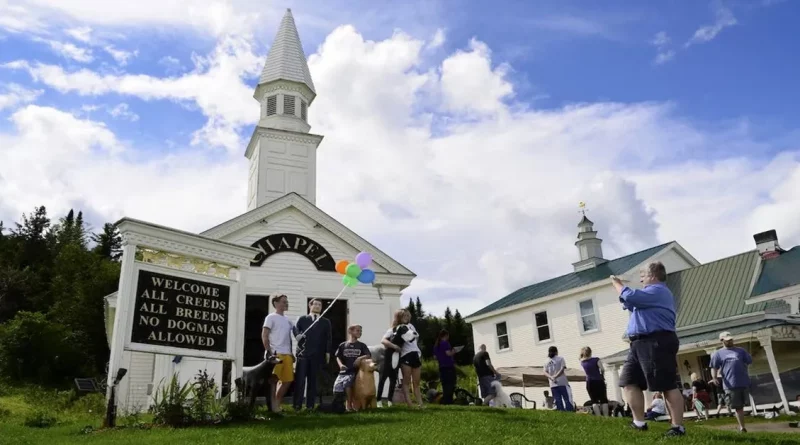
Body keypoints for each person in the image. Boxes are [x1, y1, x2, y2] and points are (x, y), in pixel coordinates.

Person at [611, 261, 685, 437]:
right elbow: (628, 302)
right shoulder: (648, 295)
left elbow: (628, 296)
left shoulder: (658, 290)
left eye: (642, 275)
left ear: (652, 275)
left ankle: (677, 428)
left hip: (657, 341)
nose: (641, 279)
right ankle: (639, 422)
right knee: (629, 382)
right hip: (638, 343)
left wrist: (616, 282)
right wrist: (625, 294)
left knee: (666, 385)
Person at [292, 298, 331, 411]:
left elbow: (328, 338)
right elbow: (295, 328)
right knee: (300, 381)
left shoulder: (325, 322)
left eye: (320, 304)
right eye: (316, 304)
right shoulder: (302, 319)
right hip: (303, 354)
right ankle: (297, 405)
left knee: (313, 382)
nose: (318, 306)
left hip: (317, 355)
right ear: (310, 305)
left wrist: (327, 352)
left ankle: (310, 406)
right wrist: (297, 335)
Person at [710, 331, 753, 433]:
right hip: (730, 384)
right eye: (727, 340)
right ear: (722, 341)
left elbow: (749, 361)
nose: (730, 341)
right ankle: (742, 427)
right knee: (738, 407)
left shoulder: (740, 351)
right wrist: (714, 377)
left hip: (743, 382)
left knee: (744, 405)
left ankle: (743, 425)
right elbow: (713, 367)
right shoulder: (718, 354)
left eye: (731, 340)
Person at [382, 309, 424, 408]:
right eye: (404, 315)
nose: (407, 317)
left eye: (408, 315)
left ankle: (420, 404)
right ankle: (410, 404)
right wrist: (394, 346)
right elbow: (383, 340)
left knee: (416, 382)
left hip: (416, 355)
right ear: (399, 317)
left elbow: (414, 338)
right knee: (406, 381)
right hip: (405, 355)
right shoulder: (394, 329)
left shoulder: (411, 326)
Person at [262, 294, 295, 413]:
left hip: (287, 354)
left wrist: (291, 352)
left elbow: (291, 338)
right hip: (276, 354)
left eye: (287, 302)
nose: (286, 304)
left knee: (288, 381)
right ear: (276, 303)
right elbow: (265, 335)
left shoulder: (288, 320)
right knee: (274, 380)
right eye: (283, 302)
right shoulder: (271, 317)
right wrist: (269, 352)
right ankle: (274, 407)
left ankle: (276, 403)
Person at [333, 324, 371, 411]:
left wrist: (360, 358)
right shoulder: (343, 345)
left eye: (361, 331)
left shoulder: (362, 345)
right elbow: (337, 356)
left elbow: (368, 355)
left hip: (356, 372)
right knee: (337, 386)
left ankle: (349, 406)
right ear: (350, 331)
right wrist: (341, 365)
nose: (360, 333)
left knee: (347, 383)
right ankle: (339, 405)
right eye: (357, 330)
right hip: (344, 371)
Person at [579, 346, 609, 416]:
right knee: (603, 399)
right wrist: (602, 375)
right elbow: (602, 369)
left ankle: (598, 416)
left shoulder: (582, 362)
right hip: (598, 380)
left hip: (589, 382)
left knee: (594, 400)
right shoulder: (596, 360)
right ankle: (606, 416)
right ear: (590, 352)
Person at [544, 346, 574, 412]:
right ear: (556, 351)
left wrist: (551, 377)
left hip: (553, 384)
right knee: (567, 398)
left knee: (558, 400)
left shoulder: (546, 361)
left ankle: (561, 412)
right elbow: (562, 369)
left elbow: (545, 372)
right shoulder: (560, 358)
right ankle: (570, 412)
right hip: (562, 382)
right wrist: (556, 376)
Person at [434, 329, 457, 405]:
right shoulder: (445, 343)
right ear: (446, 335)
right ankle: (449, 401)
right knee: (451, 384)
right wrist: (454, 351)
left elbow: (435, 357)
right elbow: (448, 353)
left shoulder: (437, 345)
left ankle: (445, 401)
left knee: (445, 385)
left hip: (441, 366)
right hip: (448, 366)